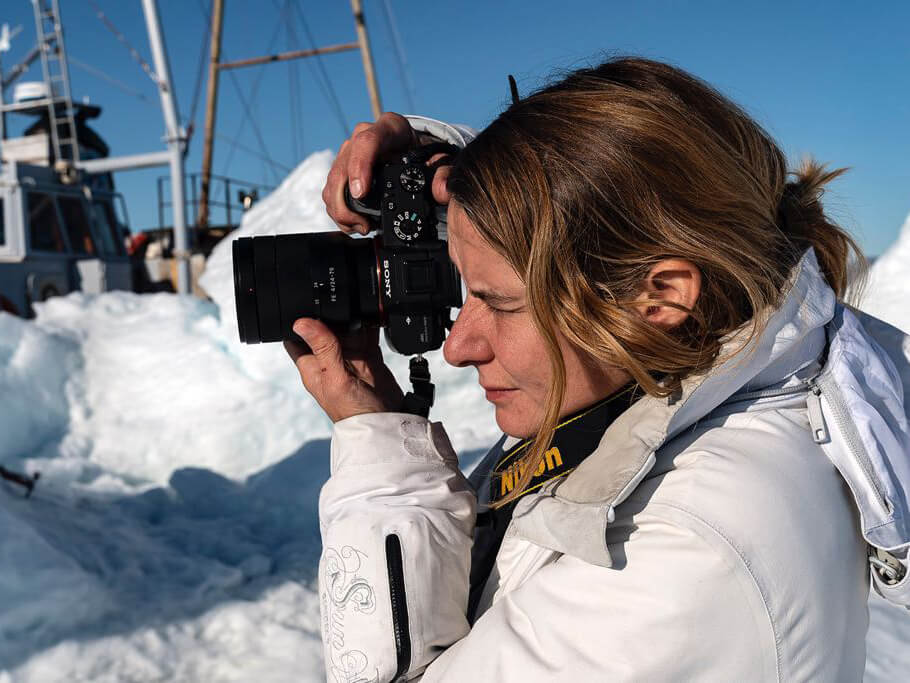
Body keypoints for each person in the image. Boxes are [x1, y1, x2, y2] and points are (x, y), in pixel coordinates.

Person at [286, 57, 910, 681]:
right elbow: (614, 212)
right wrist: (462, 170)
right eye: (463, 286)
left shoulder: (678, 554)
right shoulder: (682, 379)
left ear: (662, 296)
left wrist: (384, 466)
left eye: (499, 301)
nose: (459, 345)